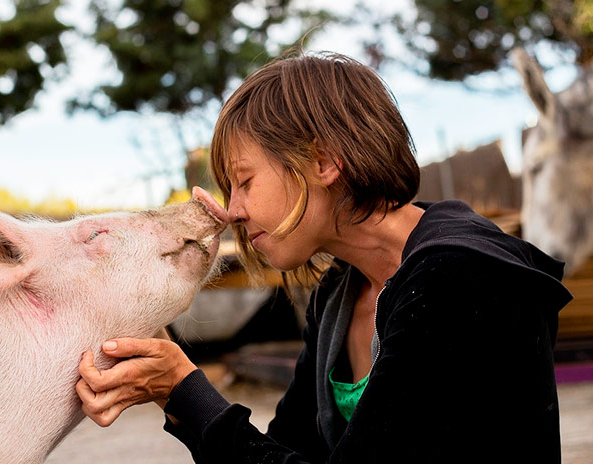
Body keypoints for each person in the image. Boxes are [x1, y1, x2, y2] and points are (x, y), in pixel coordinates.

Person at [75, 51, 572, 463]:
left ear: (324, 161)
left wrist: (184, 388)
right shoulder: (340, 293)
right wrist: (170, 387)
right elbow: (286, 454)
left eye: (244, 182)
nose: (234, 211)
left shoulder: (460, 278)